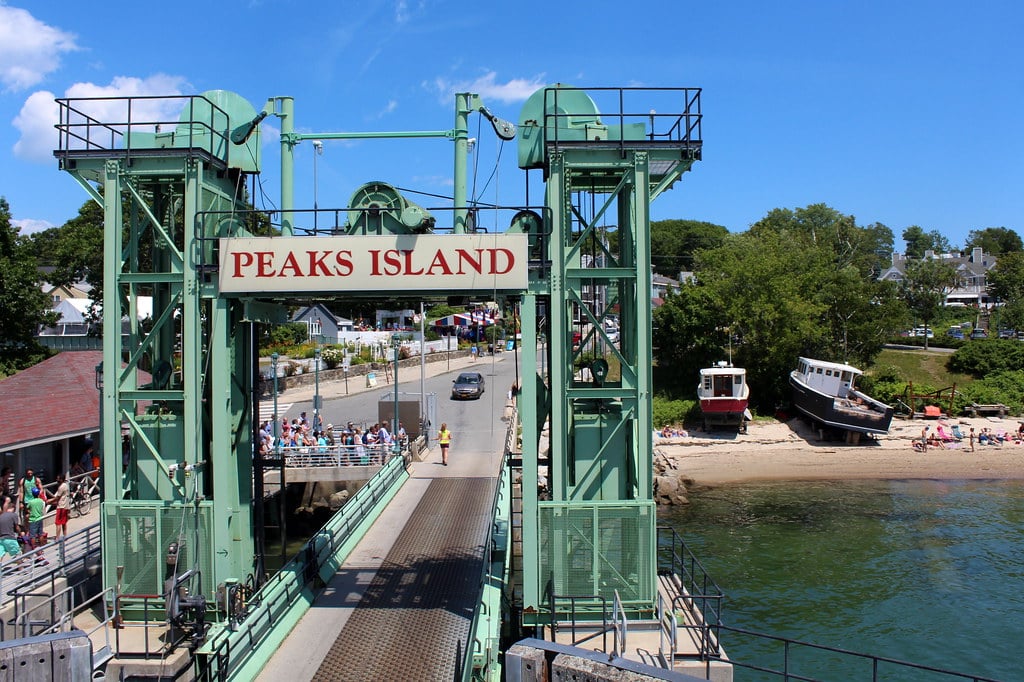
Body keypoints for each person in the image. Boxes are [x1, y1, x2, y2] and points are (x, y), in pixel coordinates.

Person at [25, 488, 47, 554]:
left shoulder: (31, 502)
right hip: (40, 518)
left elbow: (27, 508)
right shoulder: (41, 501)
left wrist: (30, 511)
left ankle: (33, 549)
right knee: (40, 534)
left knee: (33, 536)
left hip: (33, 520)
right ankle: (42, 547)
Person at [53, 474, 70, 539]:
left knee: (58, 523)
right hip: (65, 506)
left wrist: (49, 501)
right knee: (64, 522)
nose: (56, 480)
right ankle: (65, 535)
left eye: (58, 478)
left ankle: (57, 538)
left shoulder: (61, 487)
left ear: (61, 479)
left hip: (61, 507)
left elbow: (57, 497)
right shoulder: (66, 485)